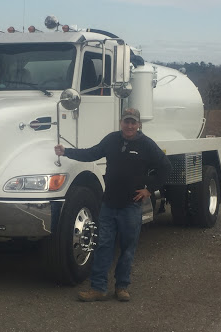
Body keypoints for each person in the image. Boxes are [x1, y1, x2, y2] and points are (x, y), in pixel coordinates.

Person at [54, 108, 172, 302]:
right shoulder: (111, 140)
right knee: (103, 245)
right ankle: (98, 288)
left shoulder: (146, 144)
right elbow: (91, 153)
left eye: (133, 122)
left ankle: (122, 287)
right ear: (121, 122)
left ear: (139, 124)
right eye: (127, 122)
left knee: (127, 248)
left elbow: (165, 167)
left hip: (131, 206)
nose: (130, 126)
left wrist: (149, 190)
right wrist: (66, 152)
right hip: (108, 204)